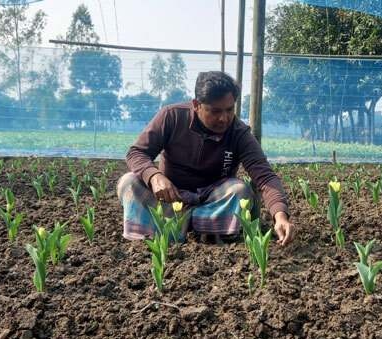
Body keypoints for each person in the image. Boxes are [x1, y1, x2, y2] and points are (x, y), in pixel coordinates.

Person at [117, 71, 294, 245]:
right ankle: (193, 228)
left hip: (212, 201)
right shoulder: (172, 116)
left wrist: (280, 216)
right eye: (215, 111)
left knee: (240, 190)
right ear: (196, 104)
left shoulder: (239, 133)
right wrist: (154, 176)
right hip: (171, 199)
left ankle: (180, 227)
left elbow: (265, 176)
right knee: (129, 182)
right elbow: (136, 152)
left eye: (229, 109)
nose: (224, 118)